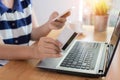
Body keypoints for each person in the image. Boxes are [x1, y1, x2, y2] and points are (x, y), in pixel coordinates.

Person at [0, 0, 70, 60]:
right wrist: (35, 51)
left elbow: (32, 33)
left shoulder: (25, 2)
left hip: (22, 63)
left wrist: (49, 25)